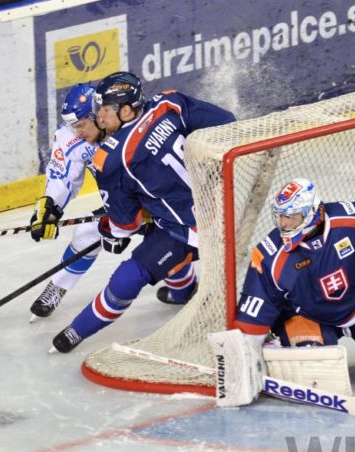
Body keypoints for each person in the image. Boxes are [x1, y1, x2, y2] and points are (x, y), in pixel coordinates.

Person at [50, 71, 236, 353]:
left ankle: (75, 332)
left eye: (104, 110)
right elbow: (227, 125)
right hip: (232, 206)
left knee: (130, 276)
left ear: (125, 110)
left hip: (189, 232)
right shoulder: (169, 102)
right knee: (159, 236)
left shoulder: (110, 158)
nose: (99, 116)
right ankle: (183, 291)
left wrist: (109, 228)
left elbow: (125, 226)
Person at [234, 177, 355, 359]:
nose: (284, 225)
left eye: (292, 217)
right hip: (308, 317)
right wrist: (247, 352)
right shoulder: (268, 256)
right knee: (314, 364)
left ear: (313, 212)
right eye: (280, 217)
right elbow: (253, 313)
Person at [28, 83, 108, 319]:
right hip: (120, 202)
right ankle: (58, 287)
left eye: (81, 125)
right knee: (87, 232)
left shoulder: (128, 122)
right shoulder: (72, 137)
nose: (78, 133)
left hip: (158, 197)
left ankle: (182, 287)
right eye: (74, 127)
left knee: (169, 240)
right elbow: (62, 178)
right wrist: (50, 208)